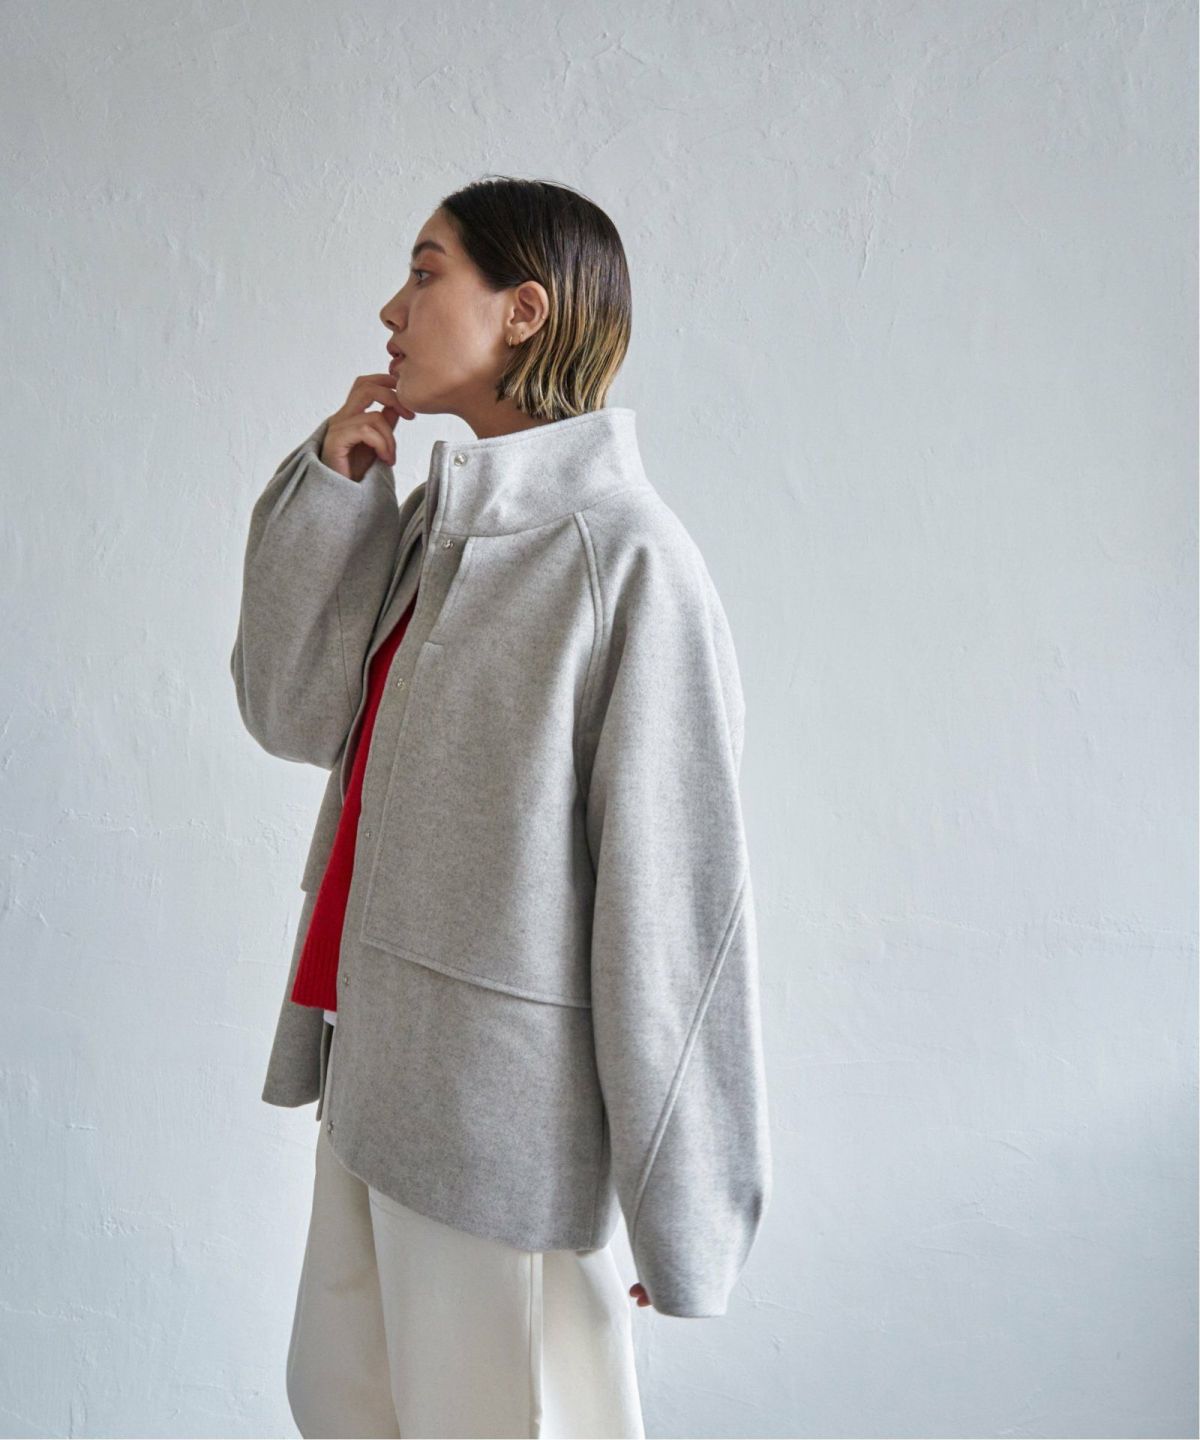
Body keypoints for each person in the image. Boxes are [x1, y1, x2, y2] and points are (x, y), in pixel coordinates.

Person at [230, 175, 771, 1439]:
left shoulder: (630, 562)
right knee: (342, 1408)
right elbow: (291, 712)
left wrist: (681, 1208)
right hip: (373, 1081)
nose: (392, 307)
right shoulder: (439, 524)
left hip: (498, 1138)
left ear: (523, 311)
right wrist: (332, 491)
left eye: (426, 273)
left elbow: (676, 910)